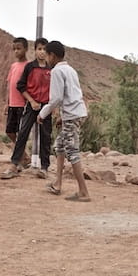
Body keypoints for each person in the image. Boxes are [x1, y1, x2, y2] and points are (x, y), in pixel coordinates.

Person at [38, 41, 90, 202]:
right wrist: (63, 116)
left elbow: (56, 98)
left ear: (52, 56)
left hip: (72, 114)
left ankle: (83, 192)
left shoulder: (57, 71)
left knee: (72, 150)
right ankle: (57, 184)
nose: (46, 58)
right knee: (60, 145)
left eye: (46, 55)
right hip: (75, 113)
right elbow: (72, 94)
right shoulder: (71, 70)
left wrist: (43, 114)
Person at [2, 37, 52, 179]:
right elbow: (21, 86)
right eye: (39, 49)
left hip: (46, 107)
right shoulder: (30, 67)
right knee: (23, 133)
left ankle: (44, 167)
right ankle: (14, 164)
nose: (42, 52)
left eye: (44, 49)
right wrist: (31, 101)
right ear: (35, 50)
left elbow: (54, 89)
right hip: (31, 105)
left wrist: (52, 107)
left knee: (45, 136)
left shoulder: (51, 68)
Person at [5, 37, 29, 145]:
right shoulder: (13, 66)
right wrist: (7, 103)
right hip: (12, 104)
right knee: (9, 131)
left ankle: (21, 154)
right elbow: (9, 84)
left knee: (21, 131)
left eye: (19, 48)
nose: (16, 51)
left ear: (26, 49)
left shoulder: (28, 66)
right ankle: (21, 152)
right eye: (14, 49)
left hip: (22, 104)